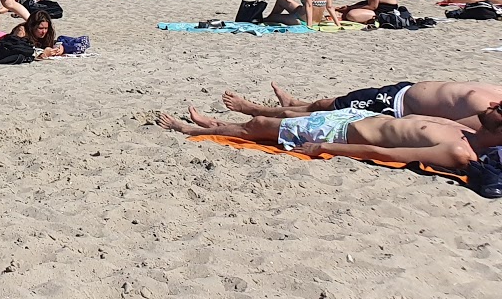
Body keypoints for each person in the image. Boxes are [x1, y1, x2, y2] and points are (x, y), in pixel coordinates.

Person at [155, 103, 498, 171]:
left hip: (340, 132)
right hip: (358, 118)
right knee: (287, 114)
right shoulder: (469, 130)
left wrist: (326, 147)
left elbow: (391, 154)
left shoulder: (458, 149)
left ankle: (193, 130)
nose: (494, 104)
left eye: (501, 109)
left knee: (259, 125)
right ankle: (215, 123)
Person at [221, 81, 502, 138]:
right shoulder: (497, 98)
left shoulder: (489, 117)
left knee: (316, 114)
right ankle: (294, 103)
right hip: (400, 92)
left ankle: (251, 109)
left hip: (393, 108)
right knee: (325, 103)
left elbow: (452, 129)